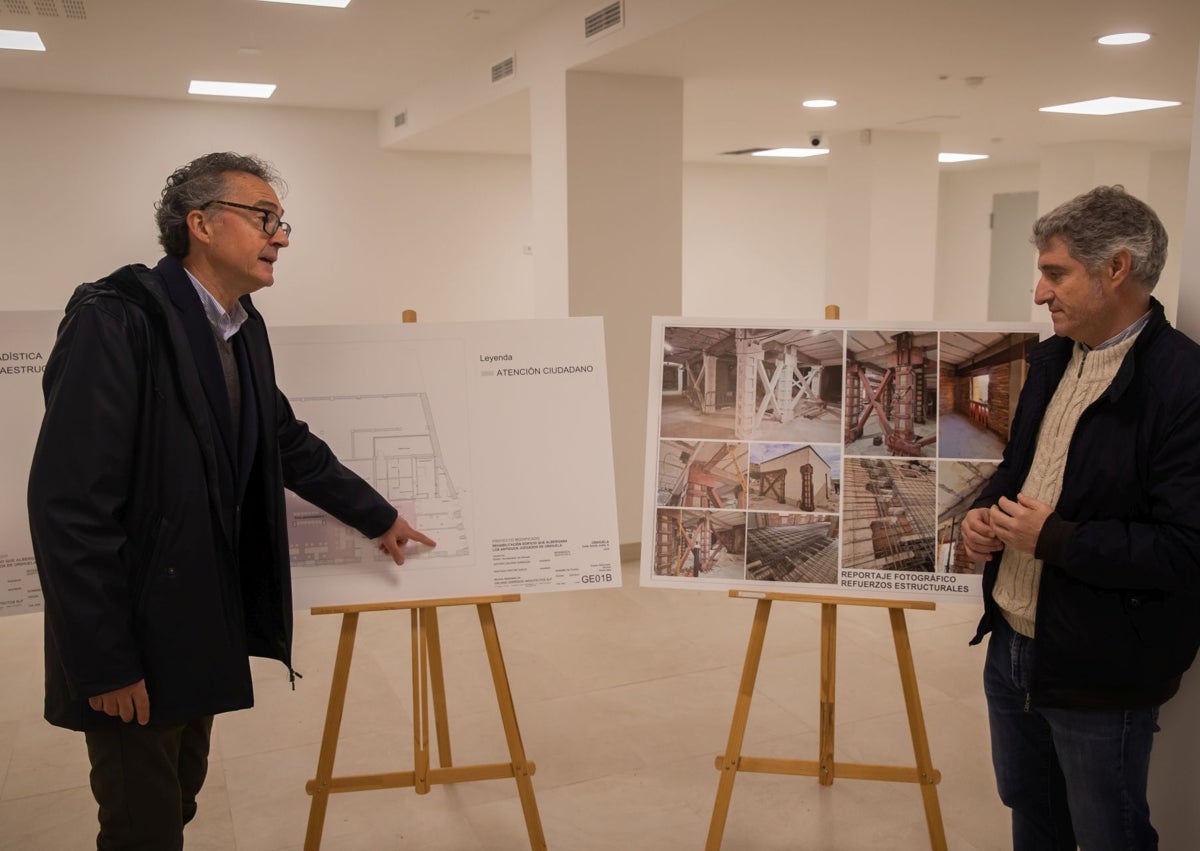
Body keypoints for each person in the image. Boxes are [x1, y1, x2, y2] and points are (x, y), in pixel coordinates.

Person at [27, 151, 436, 850]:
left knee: (176, 799)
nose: (280, 235)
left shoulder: (241, 327)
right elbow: (68, 507)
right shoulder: (118, 319)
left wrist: (376, 513)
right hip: (132, 634)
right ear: (202, 225)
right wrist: (105, 662)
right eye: (264, 217)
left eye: (282, 222)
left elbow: (284, 439)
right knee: (138, 822)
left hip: (196, 622)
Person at [961, 185, 1200, 850]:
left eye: (1055, 272)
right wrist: (983, 514)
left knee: (1107, 833)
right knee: (1031, 812)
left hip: (1101, 664)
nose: (1040, 293)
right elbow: (1018, 470)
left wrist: (1055, 538)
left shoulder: (1182, 384)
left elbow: (1186, 549)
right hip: (1012, 642)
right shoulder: (1050, 360)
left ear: (1117, 268)